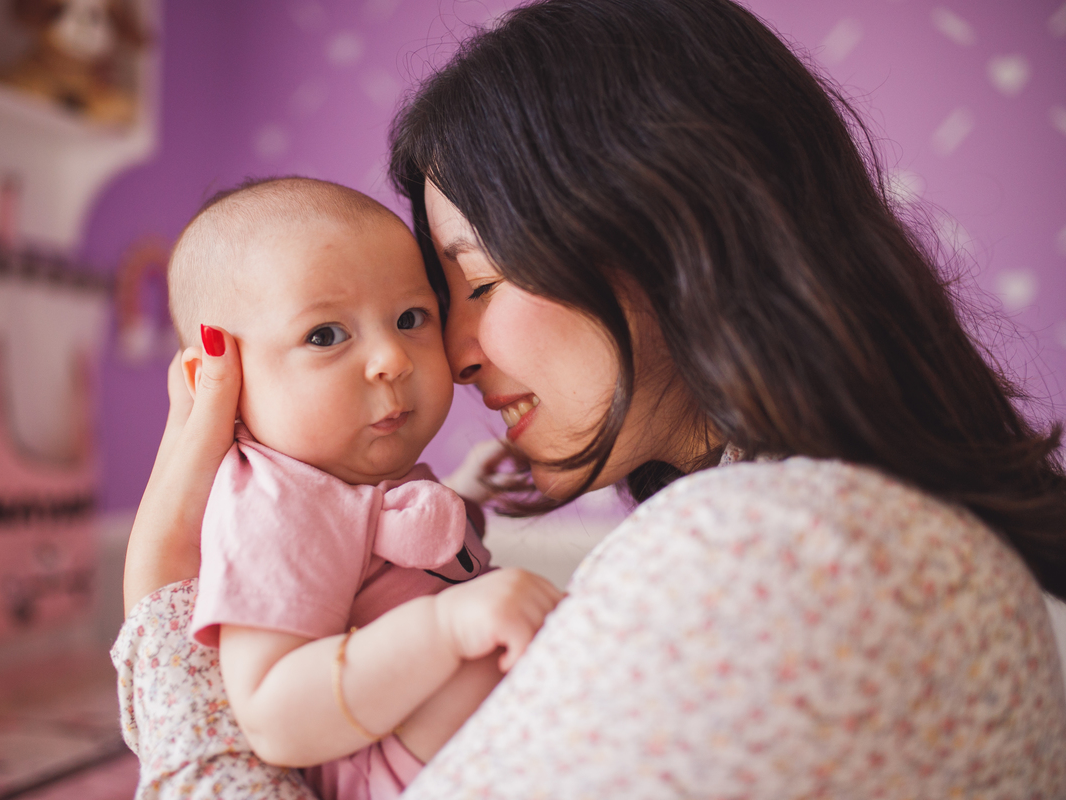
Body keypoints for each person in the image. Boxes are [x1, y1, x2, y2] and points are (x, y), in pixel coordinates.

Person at [117, 0, 1066, 796]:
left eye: (472, 288)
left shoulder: (777, 557)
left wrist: (161, 594)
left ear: (667, 232)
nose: (447, 354)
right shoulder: (842, 531)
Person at [129, 176, 561, 800]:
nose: (393, 357)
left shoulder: (354, 484)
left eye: (411, 318)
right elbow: (275, 715)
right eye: (326, 335)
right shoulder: (277, 503)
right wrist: (445, 629)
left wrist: (461, 502)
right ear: (223, 377)